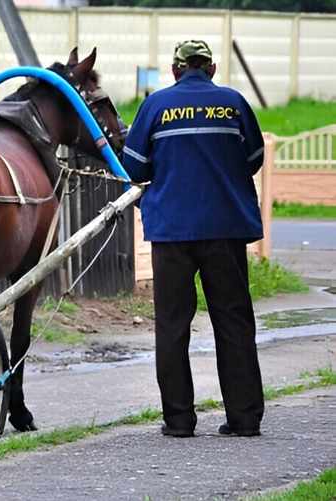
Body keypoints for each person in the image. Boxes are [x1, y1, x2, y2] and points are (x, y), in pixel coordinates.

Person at [122, 40, 265, 438]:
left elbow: (134, 166)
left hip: (172, 232)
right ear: (213, 68)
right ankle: (245, 418)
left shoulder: (155, 106)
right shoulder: (234, 103)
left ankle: (179, 420)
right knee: (234, 321)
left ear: (175, 70)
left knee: (172, 325)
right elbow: (255, 159)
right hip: (226, 229)